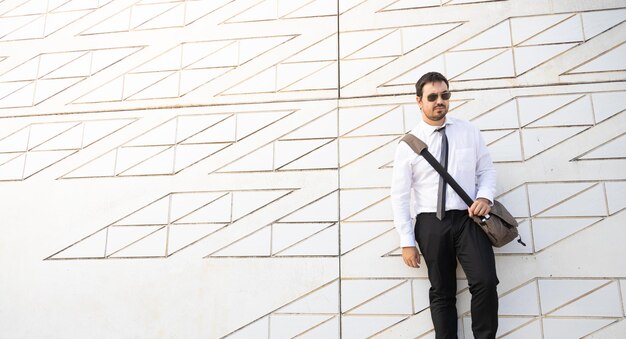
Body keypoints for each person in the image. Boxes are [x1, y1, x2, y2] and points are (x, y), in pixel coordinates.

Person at [390, 72, 498, 339]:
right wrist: (406, 241)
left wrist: (484, 197)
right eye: (433, 97)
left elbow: (486, 170)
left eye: (445, 95)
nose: (440, 101)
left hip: (468, 220)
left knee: (485, 282)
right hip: (430, 223)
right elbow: (399, 195)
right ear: (419, 101)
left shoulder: (468, 131)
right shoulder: (408, 143)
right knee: (442, 291)